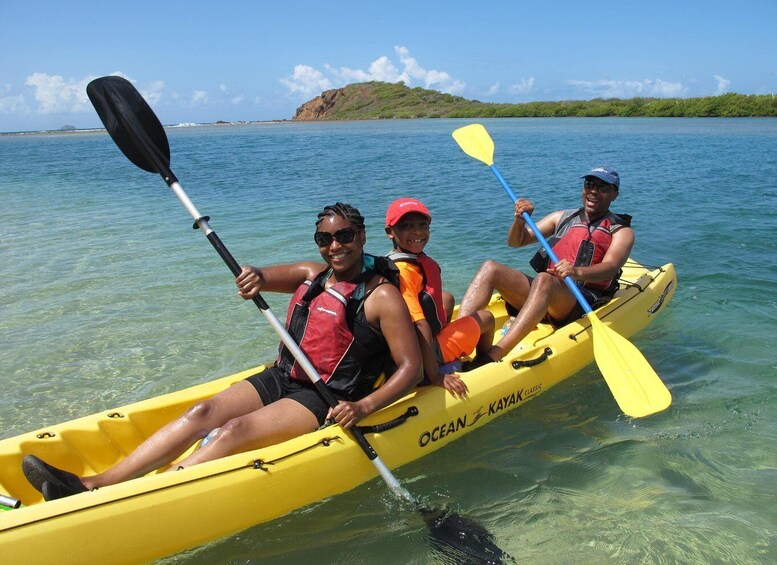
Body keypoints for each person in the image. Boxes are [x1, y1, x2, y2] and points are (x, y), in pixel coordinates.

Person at [22, 202, 422, 501]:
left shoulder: (381, 296)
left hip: (325, 396)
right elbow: (262, 277)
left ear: (363, 236)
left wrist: (363, 407)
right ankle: (94, 483)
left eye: (345, 236)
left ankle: (145, 494)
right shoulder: (311, 274)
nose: (335, 246)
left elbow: (410, 368)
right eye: (325, 239)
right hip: (284, 375)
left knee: (233, 432)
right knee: (202, 413)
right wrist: (253, 277)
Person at [456, 166, 634, 369]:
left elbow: (611, 267)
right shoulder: (562, 217)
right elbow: (516, 241)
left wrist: (576, 272)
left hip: (580, 299)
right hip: (548, 292)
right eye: (589, 185)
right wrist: (519, 221)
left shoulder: (621, 231)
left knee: (544, 279)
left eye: (602, 187)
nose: (593, 191)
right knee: (490, 268)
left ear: (614, 195)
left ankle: (493, 354)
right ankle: (455, 339)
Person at [385, 198, 495, 398]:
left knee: (447, 298)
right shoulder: (403, 272)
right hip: (420, 351)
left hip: (412, 341)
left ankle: (445, 350)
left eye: (422, 225)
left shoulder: (397, 261)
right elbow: (420, 325)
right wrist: (435, 376)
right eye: (407, 226)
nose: (417, 231)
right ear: (390, 232)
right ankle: (481, 363)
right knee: (486, 318)